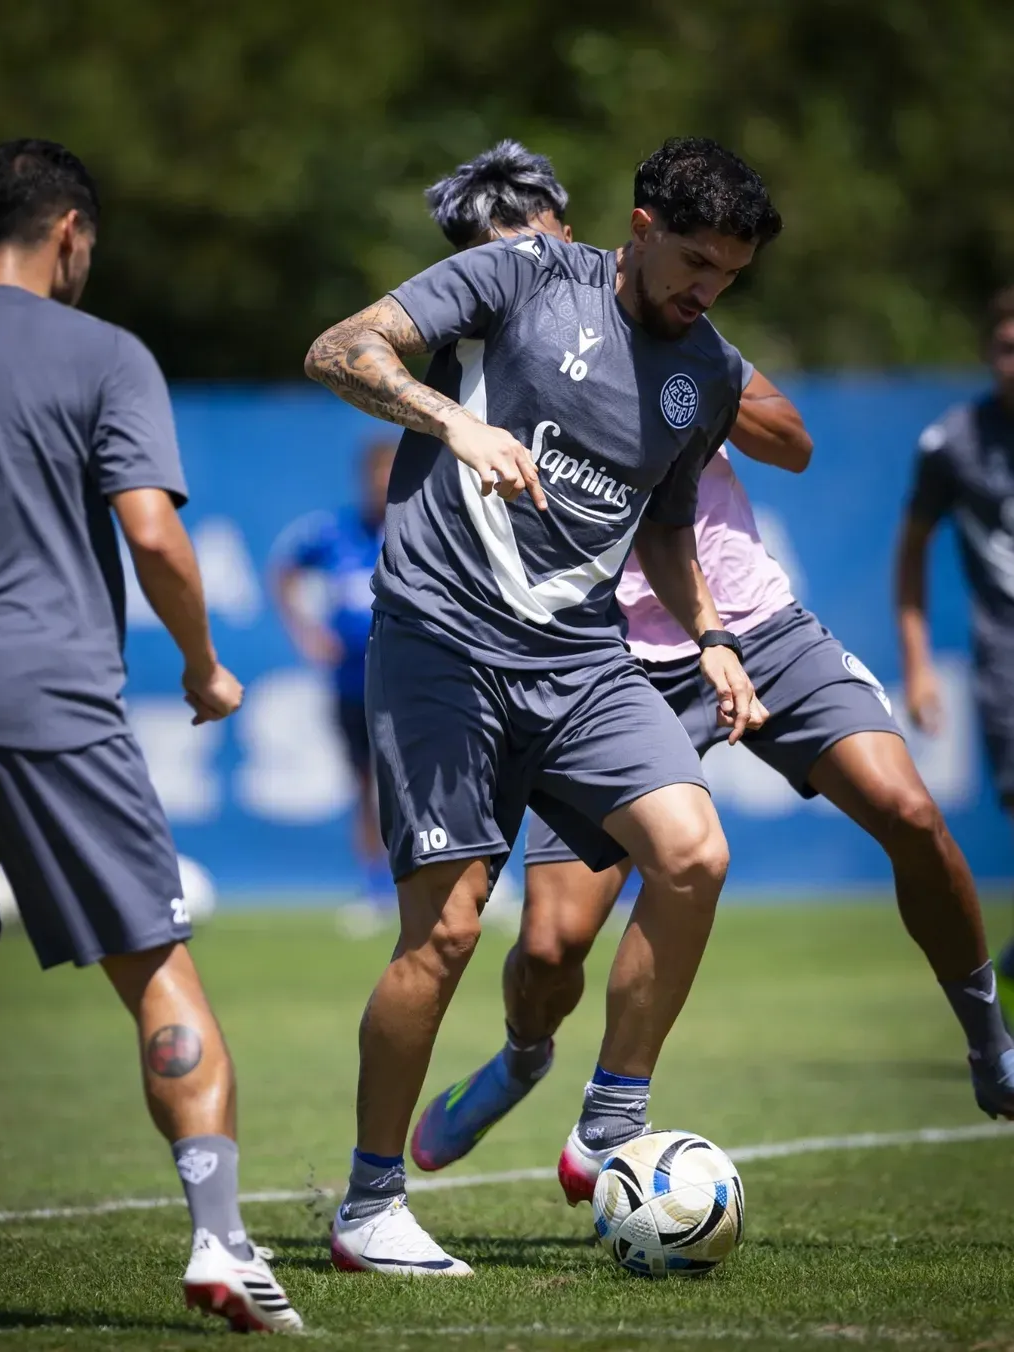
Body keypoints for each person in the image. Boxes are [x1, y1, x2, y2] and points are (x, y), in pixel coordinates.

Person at [410, 144, 1014, 1197]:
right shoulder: (471, 370)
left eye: (537, 243)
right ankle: (521, 1057)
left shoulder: (685, 332)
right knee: (549, 949)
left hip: (749, 622)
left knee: (909, 812)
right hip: (599, 657)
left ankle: (988, 1039)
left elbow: (793, 441)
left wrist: (674, 383)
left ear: (585, 235)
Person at [305, 136, 781, 1275]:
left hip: (580, 661)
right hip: (442, 642)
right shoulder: (521, 274)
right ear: (641, 226)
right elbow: (337, 348)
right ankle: (370, 1205)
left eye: (731, 274)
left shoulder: (708, 373)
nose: (708, 290)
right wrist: (453, 421)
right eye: (696, 262)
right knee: (447, 932)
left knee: (693, 853)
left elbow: (665, 523)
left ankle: (613, 1117)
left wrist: (713, 635)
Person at [0, 140, 300, 1333]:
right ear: (70, 234)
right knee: (157, 970)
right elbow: (151, 532)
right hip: (47, 699)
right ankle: (221, 1239)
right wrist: (203, 664)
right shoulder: (104, 353)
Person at [897, 287, 1014, 1027]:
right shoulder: (954, 443)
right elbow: (912, 549)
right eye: (1006, 347)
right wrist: (915, 665)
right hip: (1007, 662)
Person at [271, 438, 397, 936]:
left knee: (423, 783)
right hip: (351, 683)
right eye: (375, 475)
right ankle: (376, 891)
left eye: (390, 474)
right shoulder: (334, 532)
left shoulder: (420, 529)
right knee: (365, 785)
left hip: (408, 680)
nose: (382, 484)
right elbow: (284, 572)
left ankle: (474, 885)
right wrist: (306, 632)